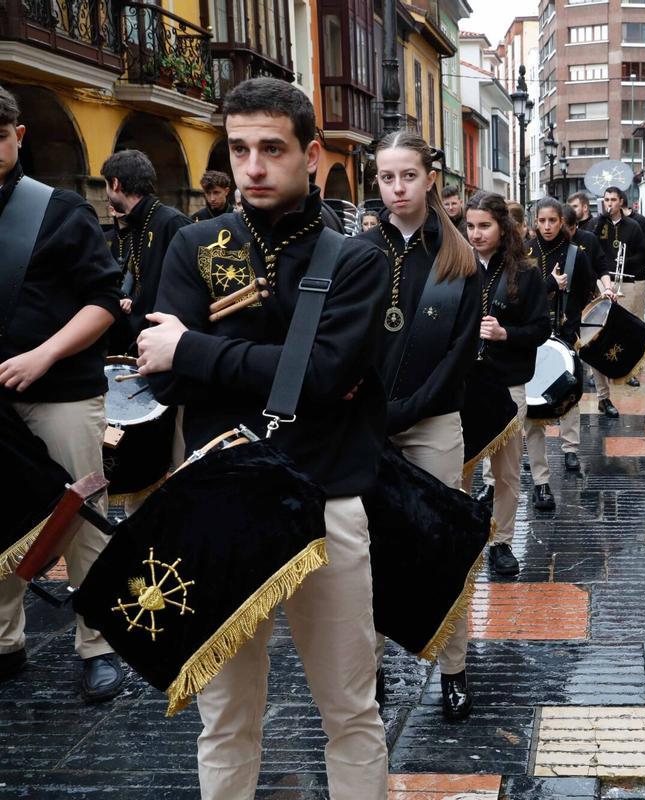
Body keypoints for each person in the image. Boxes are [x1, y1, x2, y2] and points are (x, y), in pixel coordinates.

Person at [137, 77, 391, 799]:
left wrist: (196, 350)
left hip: (328, 500)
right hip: (218, 499)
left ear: (311, 155)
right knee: (224, 716)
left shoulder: (357, 259)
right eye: (240, 148)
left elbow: (324, 376)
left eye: (272, 149)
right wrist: (269, 367)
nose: (252, 166)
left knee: (350, 708)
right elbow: (160, 378)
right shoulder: (193, 244)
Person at [0, 84, 124, 702]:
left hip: (63, 393)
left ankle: (97, 646)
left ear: (18, 136)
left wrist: (43, 354)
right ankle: (5, 641)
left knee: (79, 522)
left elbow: (105, 302)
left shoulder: (60, 210)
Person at [355, 131, 480, 721]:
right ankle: (370, 667)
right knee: (366, 548)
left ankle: (453, 666)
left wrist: (407, 410)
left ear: (431, 178)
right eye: (386, 178)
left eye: (408, 176)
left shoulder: (458, 256)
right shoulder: (361, 250)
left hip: (432, 421)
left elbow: (459, 354)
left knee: (440, 542)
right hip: (364, 424)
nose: (397, 188)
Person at [465, 191, 551, 577]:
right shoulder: (457, 265)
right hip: (462, 383)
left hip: (507, 382)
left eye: (485, 226)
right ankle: (462, 537)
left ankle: (501, 542)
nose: (476, 234)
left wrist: (505, 334)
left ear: (503, 228)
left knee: (507, 470)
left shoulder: (526, 272)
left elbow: (540, 329)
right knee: (460, 468)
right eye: (470, 226)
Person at [524, 197, 597, 503]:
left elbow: (587, 290)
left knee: (569, 393)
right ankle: (537, 461)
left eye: (552, 221)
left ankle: (570, 448)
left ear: (562, 222)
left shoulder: (574, 254)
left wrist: (573, 318)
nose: (547, 226)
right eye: (542, 221)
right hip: (531, 336)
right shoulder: (524, 253)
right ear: (534, 222)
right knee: (532, 400)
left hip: (564, 333)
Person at [101, 149, 191, 354]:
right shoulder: (137, 222)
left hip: (166, 342)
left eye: (106, 185)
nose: (106, 192)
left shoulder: (172, 223)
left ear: (115, 184)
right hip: (140, 339)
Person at [593, 186, 645, 393]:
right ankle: (602, 370)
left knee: (628, 327)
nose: (609, 203)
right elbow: (590, 248)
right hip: (603, 281)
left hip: (626, 281)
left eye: (613, 200)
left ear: (621, 202)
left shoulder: (633, 226)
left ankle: (630, 372)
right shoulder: (598, 223)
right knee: (601, 327)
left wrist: (626, 261)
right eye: (606, 199)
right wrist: (600, 221)